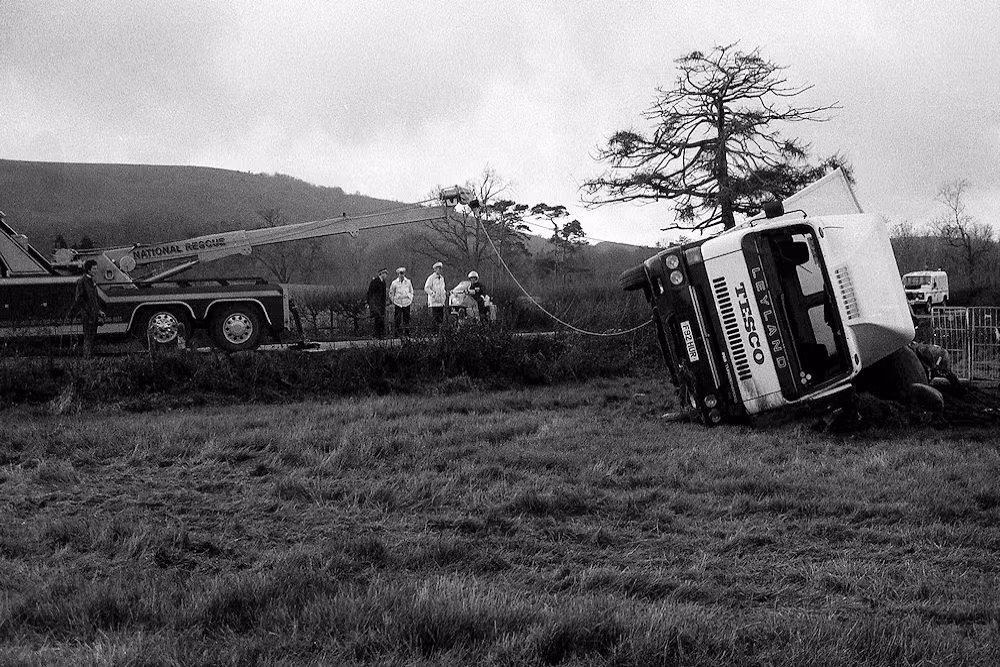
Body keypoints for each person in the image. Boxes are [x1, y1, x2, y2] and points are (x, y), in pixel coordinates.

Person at [70, 259, 104, 356]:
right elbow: (79, 299)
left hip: (93, 313)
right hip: (87, 314)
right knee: (88, 336)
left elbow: (95, 299)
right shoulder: (82, 282)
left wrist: (99, 311)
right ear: (88, 270)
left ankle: (89, 357)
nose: (96, 270)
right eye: (94, 268)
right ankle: (87, 357)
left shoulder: (91, 281)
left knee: (92, 336)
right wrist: (90, 310)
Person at [388, 266, 413, 336]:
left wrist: (410, 299)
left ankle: (407, 333)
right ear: (398, 274)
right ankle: (397, 333)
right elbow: (391, 293)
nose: (402, 275)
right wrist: (394, 300)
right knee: (397, 319)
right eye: (400, 273)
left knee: (407, 319)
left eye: (403, 273)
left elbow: (411, 291)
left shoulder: (408, 282)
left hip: (406, 303)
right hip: (398, 303)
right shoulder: (394, 283)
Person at [366, 268, 389, 338]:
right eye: (385, 274)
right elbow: (370, 293)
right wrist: (369, 303)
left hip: (381, 304)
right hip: (375, 304)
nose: (386, 275)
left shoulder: (384, 283)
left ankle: (380, 334)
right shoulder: (375, 282)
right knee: (378, 319)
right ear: (381, 274)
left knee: (381, 319)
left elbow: (383, 295)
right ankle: (377, 334)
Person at [423, 261, 447, 329]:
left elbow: (443, 288)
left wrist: (444, 296)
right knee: (435, 318)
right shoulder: (431, 278)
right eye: (438, 268)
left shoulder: (442, 278)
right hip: (434, 302)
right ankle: (434, 333)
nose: (440, 270)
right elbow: (426, 288)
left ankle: (440, 333)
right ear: (435, 269)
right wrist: (433, 294)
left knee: (440, 318)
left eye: (440, 268)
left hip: (441, 302)